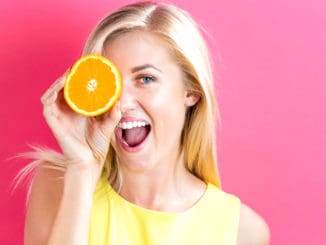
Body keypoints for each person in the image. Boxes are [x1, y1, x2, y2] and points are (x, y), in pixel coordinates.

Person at [21, 1, 270, 244]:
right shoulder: (60, 186)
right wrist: (82, 171)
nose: (122, 102)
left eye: (146, 79)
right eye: (112, 82)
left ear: (191, 91)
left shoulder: (242, 231)